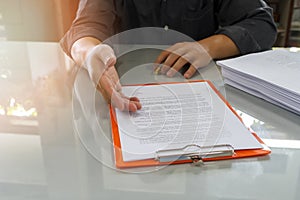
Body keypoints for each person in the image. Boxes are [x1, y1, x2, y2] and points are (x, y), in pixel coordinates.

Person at [60, 0, 277, 112]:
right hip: (122, 89)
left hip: (199, 92)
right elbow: (84, 29)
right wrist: (90, 54)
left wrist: (207, 48)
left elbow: (261, 24)